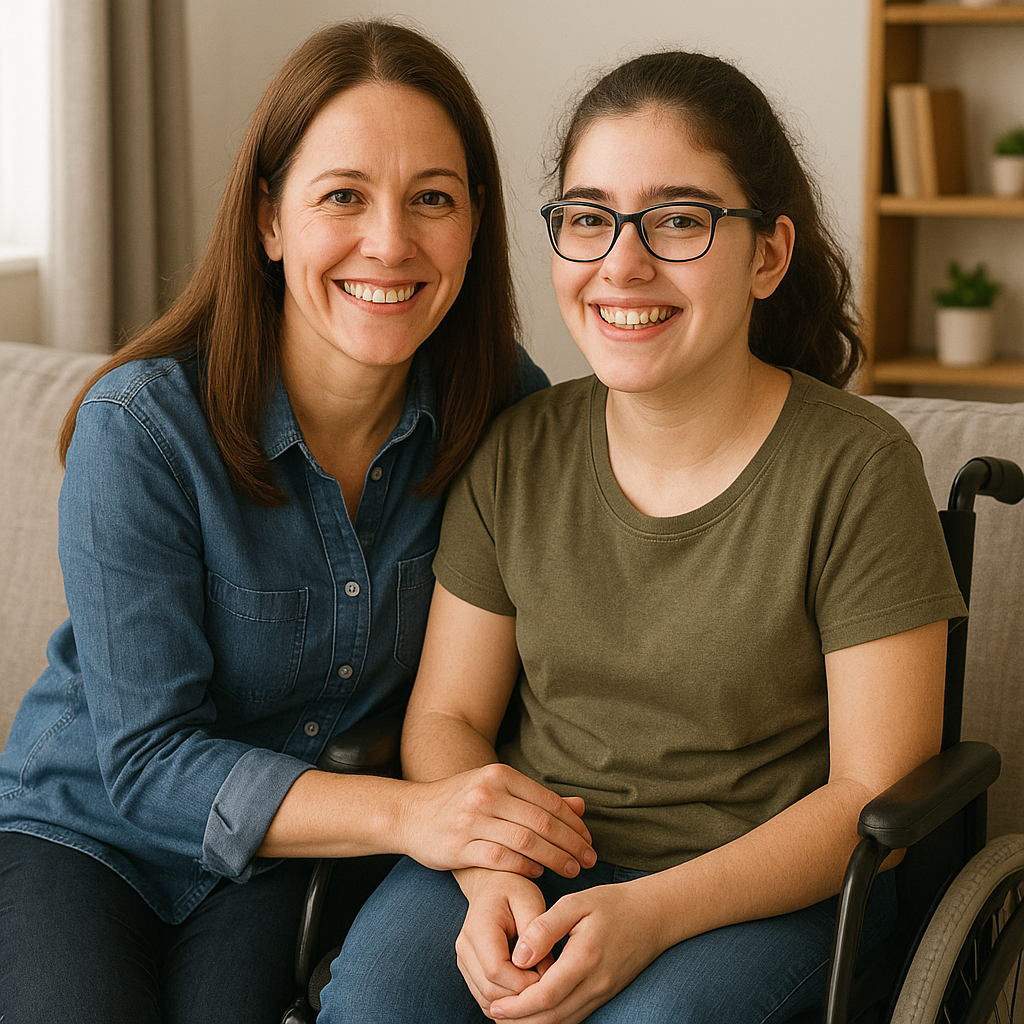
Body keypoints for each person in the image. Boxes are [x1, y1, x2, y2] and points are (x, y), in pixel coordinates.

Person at [318, 49, 968, 1024]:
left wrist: (650, 913)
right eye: (587, 218)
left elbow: (872, 798)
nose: (621, 263)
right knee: (371, 1001)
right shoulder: (517, 447)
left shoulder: (856, 468)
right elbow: (446, 717)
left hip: (763, 893)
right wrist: (488, 870)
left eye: (676, 220)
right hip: (528, 862)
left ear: (767, 254)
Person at [0, 21, 597, 1024]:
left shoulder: (504, 411)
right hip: (88, 827)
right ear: (270, 218)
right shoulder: (141, 428)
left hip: (304, 852)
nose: (391, 242)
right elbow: (145, 763)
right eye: (343, 196)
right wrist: (421, 815)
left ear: (476, 223)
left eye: (432, 200)